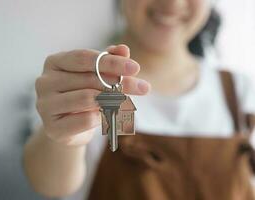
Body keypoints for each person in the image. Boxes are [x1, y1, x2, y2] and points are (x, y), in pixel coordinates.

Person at [23, 0, 255, 199]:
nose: (173, 3)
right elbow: (50, 184)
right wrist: (64, 134)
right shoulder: (78, 83)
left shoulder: (240, 90)